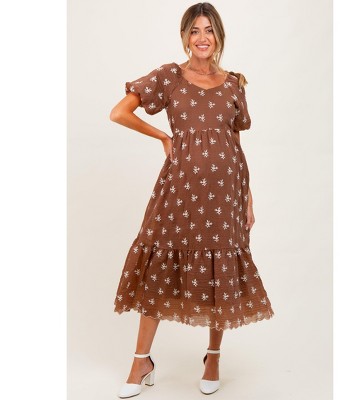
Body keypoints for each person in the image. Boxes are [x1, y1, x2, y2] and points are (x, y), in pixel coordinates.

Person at [109, 2, 274, 397]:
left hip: (227, 193)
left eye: (209, 30)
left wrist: (248, 198)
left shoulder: (233, 83)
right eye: (195, 30)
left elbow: (236, 143)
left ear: (219, 36)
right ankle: (140, 362)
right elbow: (119, 113)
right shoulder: (169, 76)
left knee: (221, 271)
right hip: (179, 190)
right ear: (185, 37)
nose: (202, 38)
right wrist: (164, 137)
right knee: (158, 267)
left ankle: (213, 357)